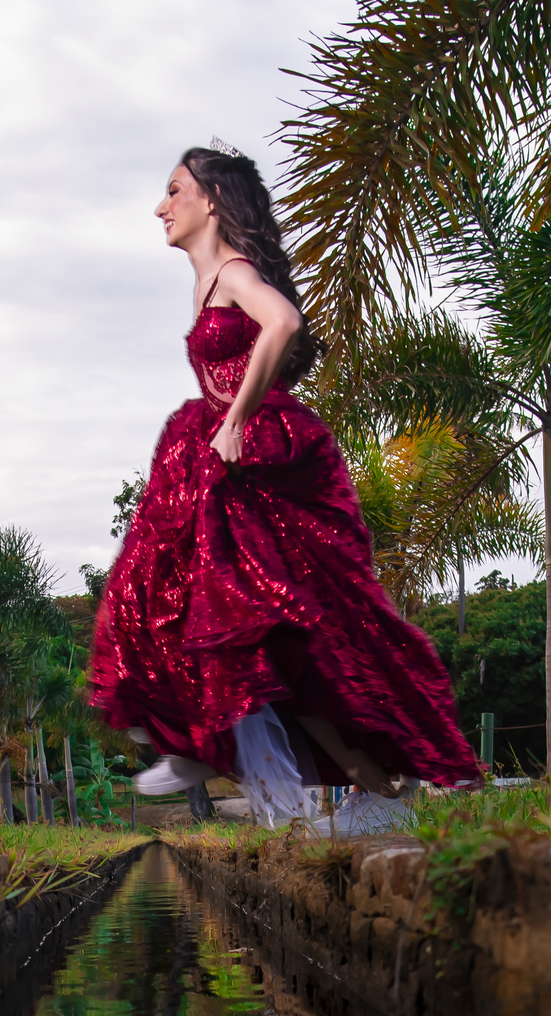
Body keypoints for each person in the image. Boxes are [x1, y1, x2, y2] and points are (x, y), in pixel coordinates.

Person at [89, 140, 481, 826]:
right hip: (226, 451)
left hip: (259, 455)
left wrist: (236, 416)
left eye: (175, 191)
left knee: (295, 637)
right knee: (255, 639)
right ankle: (199, 738)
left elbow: (284, 321)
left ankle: (368, 783)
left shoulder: (236, 272)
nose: (162, 206)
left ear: (210, 201)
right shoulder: (208, 281)